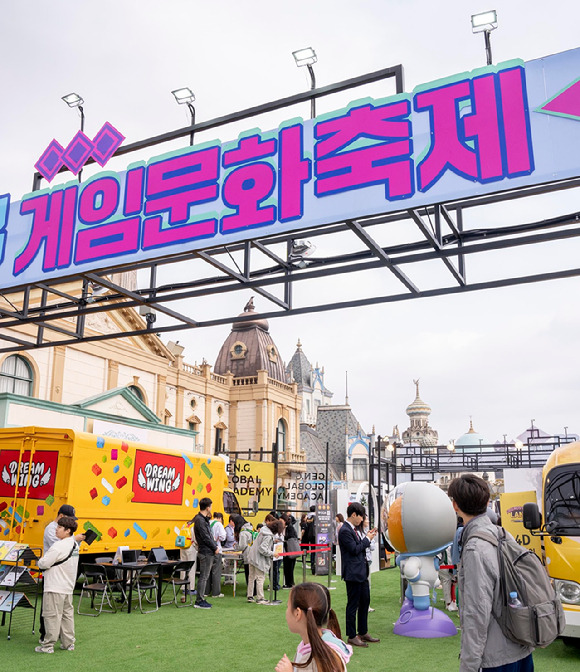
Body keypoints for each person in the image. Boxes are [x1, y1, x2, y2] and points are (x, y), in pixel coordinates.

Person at [448, 474, 535, 672]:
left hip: (497, 657)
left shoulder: (474, 548)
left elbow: (477, 613)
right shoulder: (503, 534)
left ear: (455, 506)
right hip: (521, 643)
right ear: (487, 502)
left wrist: (468, 665)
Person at [275, 582, 352, 672]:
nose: (286, 611)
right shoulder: (318, 645)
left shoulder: (317, 657)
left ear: (297, 613)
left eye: (287, 606)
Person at [338, 502, 380, 648]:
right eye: (361, 516)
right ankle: (351, 635)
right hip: (353, 573)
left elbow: (359, 547)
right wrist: (367, 539)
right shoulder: (344, 531)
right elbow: (355, 549)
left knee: (365, 602)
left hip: (361, 572)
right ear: (354, 515)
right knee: (353, 604)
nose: (362, 520)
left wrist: (368, 538)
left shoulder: (354, 530)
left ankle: (363, 632)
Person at [40, 504, 84, 643]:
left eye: (60, 528)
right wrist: (75, 540)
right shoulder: (71, 543)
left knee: (52, 614)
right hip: (66, 582)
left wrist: (40, 562)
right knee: (65, 615)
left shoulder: (62, 544)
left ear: (67, 531)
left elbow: (47, 561)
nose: (56, 530)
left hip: (55, 581)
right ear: (61, 516)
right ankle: (67, 642)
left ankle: (48, 643)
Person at [247, 517, 282, 604]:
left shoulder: (263, 530)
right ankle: (260, 598)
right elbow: (262, 549)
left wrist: (272, 540)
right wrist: (272, 553)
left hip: (252, 555)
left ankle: (250, 595)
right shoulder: (268, 535)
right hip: (258, 558)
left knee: (251, 577)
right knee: (260, 578)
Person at [193, 497, 218, 609]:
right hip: (206, 551)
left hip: (206, 550)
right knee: (204, 576)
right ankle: (199, 600)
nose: (211, 508)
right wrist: (214, 547)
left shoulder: (202, 519)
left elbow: (208, 536)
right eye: (211, 506)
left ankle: (201, 598)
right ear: (208, 507)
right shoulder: (200, 520)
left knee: (204, 576)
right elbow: (205, 537)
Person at [179, 516, 197, 602]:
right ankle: (191, 588)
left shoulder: (185, 524)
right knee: (191, 568)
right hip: (190, 547)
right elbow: (195, 539)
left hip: (182, 547)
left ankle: (182, 586)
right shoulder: (194, 526)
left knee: (183, 568)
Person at [209, 511, 227, 598]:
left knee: (207, 572)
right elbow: (223, 537)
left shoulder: (208, 522)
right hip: (217, 549)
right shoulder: (219, 524)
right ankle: (216, 592)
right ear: (220, 518)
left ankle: (206, 591)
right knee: (216, 571)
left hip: (208, 550)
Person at [234, 514, 254, 587]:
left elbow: (242, 546)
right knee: (253, 575)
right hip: (253, 553)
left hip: (247, 555)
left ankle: (250, 592)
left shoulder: (243, 533)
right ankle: (254, 591)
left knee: (248, 575)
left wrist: (236, 547)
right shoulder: (251, 528)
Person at [281, 512, 299, 588]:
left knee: (290, 567)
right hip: (286, 550)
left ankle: (290, 583)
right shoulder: (283, 528)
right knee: (286, 567)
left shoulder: (290, 527)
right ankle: (288, 583)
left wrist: (284, 539)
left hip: (291, 550)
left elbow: (291, 537)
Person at [302, 506, 317, 574]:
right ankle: (314, 564)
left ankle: (312, 564)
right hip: (315, 535)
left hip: (309, 536)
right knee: (315, 551)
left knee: (312, 551)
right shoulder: (315, 517)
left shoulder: (308, 517)